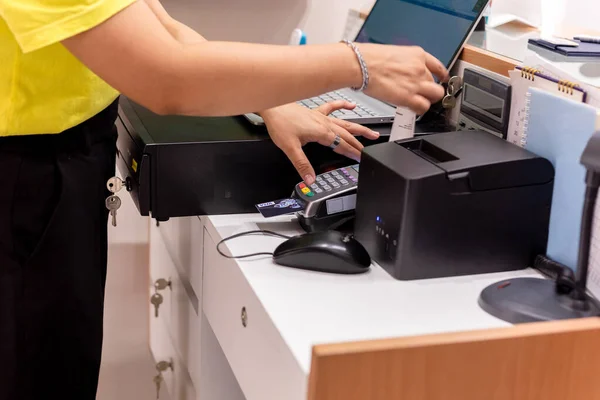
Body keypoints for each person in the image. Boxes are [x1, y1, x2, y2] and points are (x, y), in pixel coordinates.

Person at [0, 0, 448, 399]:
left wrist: (270, 103)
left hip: (62, 161)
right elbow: (167, 75)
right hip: (25, 178)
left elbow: (167, 30)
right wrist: (358, 62)